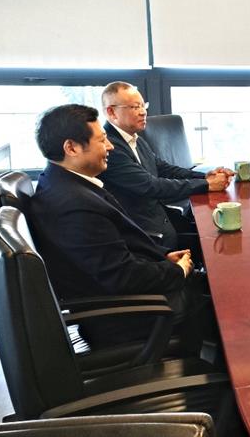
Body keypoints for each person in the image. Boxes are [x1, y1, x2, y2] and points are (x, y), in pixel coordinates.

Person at [29, 104, 211, 349]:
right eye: (101, 140)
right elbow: (121, 276)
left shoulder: (61, 183)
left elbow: (112, 254)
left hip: (129, 298)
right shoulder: (75, 205)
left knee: (212, 283)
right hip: (132, 316)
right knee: (224, 303)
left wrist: (163, 258)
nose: (110, 147)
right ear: (71, 148)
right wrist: (177, 271)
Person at [98, 81, 232, 251]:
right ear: (111, 112)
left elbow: (163, 168)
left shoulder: (134, 138)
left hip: (161, 219)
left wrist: (205, 176)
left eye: (143, 106)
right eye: (135, 107)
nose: (143, 112)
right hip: (145, 235)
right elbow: (150, 185)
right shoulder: (110, 148)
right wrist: (206, 185)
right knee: (218, 245)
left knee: (220, 236)